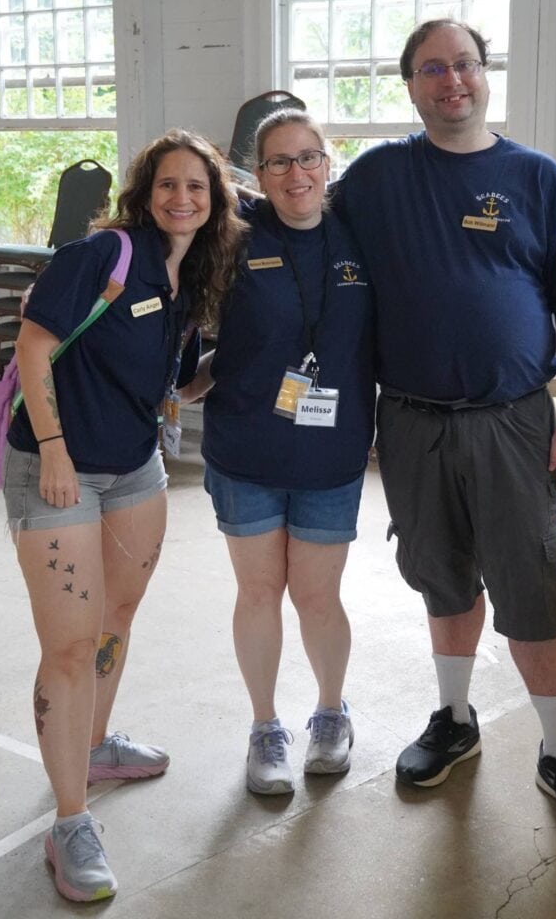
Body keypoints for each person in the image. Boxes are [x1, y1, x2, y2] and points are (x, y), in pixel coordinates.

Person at [332, 19, 556, 832]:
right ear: (410, 84)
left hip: (514, 423)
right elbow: (297, 218)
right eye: (432, 69)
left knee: (532, 586)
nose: (449, 81)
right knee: (442, 576)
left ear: (485, 73)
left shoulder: (536, 178)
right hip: (413, 423)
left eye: (463, 65)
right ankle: (454, 721)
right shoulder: (379, 176)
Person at [4, 129, 245, 901]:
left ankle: (97, 745)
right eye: (169, 185)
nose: (183, 198)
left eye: (198, 188)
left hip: (136, 466)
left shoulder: (188, 280)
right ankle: (70, 821)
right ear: (145, 194)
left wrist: (248, 357)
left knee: (119, 613)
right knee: (70, 646)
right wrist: (54, 450)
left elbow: (174, 386)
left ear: (214, 205)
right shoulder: (102, 256)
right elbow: (33, 351)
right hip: (58, 468)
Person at [202, 108, 375, 795]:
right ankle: (265, 727)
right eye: (279, 162)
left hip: (331, 453)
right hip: (246, 448)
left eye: (308, 158)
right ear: (258, 174)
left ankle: (331, 713)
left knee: (316, 594)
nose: (296, 173)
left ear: (328, 164)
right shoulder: (235, 240)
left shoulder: (364, 238)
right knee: (258, 591)